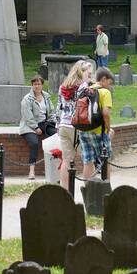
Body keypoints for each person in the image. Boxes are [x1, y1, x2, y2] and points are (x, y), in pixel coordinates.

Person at [56, 59, 94, 190]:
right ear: (81, 72)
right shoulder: (84, 88)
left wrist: (58, 126)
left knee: (66, 160)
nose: (90, 76)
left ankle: (64, 192)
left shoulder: (63, 87)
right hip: (77, 126)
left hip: (63, 126)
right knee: (88, 159)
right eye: (88, 73)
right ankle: (89, 190)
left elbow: (58, 108)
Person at [76, 67, 114, 182]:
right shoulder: (105, 92)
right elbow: (106, 113)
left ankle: (88, 189)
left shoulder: (86, 90)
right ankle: (106, 188)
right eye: (109, 82)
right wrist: (108, 128)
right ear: (103, 79)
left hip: (83, 130)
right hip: (98, 131)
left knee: (88, 161)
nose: (109, 86)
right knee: (105, 160)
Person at [18, 75, 55, 179]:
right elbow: (27, 116)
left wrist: (52, 120)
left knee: (56, 136)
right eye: (35, 84)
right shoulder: (27, 99)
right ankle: (31, 171)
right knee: (34, 143)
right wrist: (35, 128)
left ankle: (55, 168)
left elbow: (52, 111)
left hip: (44, 123)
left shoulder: (46, 96)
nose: (37, 86)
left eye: (39, 84)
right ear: (32, 85)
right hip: (29, 126)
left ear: (42, 85)